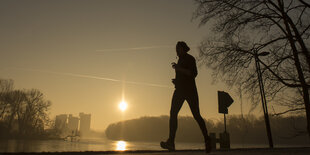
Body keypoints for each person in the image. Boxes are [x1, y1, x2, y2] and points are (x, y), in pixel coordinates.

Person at [160, 41, 211, 153]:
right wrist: (176, 81)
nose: (176, 51)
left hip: (190, 91)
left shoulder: (190, 59)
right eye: (176, 49)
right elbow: (183, 76)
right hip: (179, 90)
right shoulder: (180, 60)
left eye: (178, 48)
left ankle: (207, 140)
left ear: (183, 49)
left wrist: (179, 69)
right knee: (173, 113)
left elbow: (193, 74)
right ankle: (171, 142)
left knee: (196, 115)